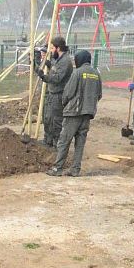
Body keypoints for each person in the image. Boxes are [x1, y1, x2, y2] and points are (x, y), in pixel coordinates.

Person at [49, 48, 102, 177]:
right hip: (88, 113)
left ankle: (58, 168)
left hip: (73, 112)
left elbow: (68, 92)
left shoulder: (77, 73)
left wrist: (64, 103)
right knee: (80, 143)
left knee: (64, 141)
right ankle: (75, 169)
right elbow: (99, 94)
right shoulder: (96, 74)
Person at [37, 35, 73, 146]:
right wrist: (49, 64)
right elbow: (54, 68)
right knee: (48, 118)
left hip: (59, 95)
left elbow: (57, 78)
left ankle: (57, 144)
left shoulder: (66, 61)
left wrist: (44, 77)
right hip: (52, 93)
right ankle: (47, 140)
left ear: (58, 48)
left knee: (56, 121)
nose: (51, 51)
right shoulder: (58, 60)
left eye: (52, 48)